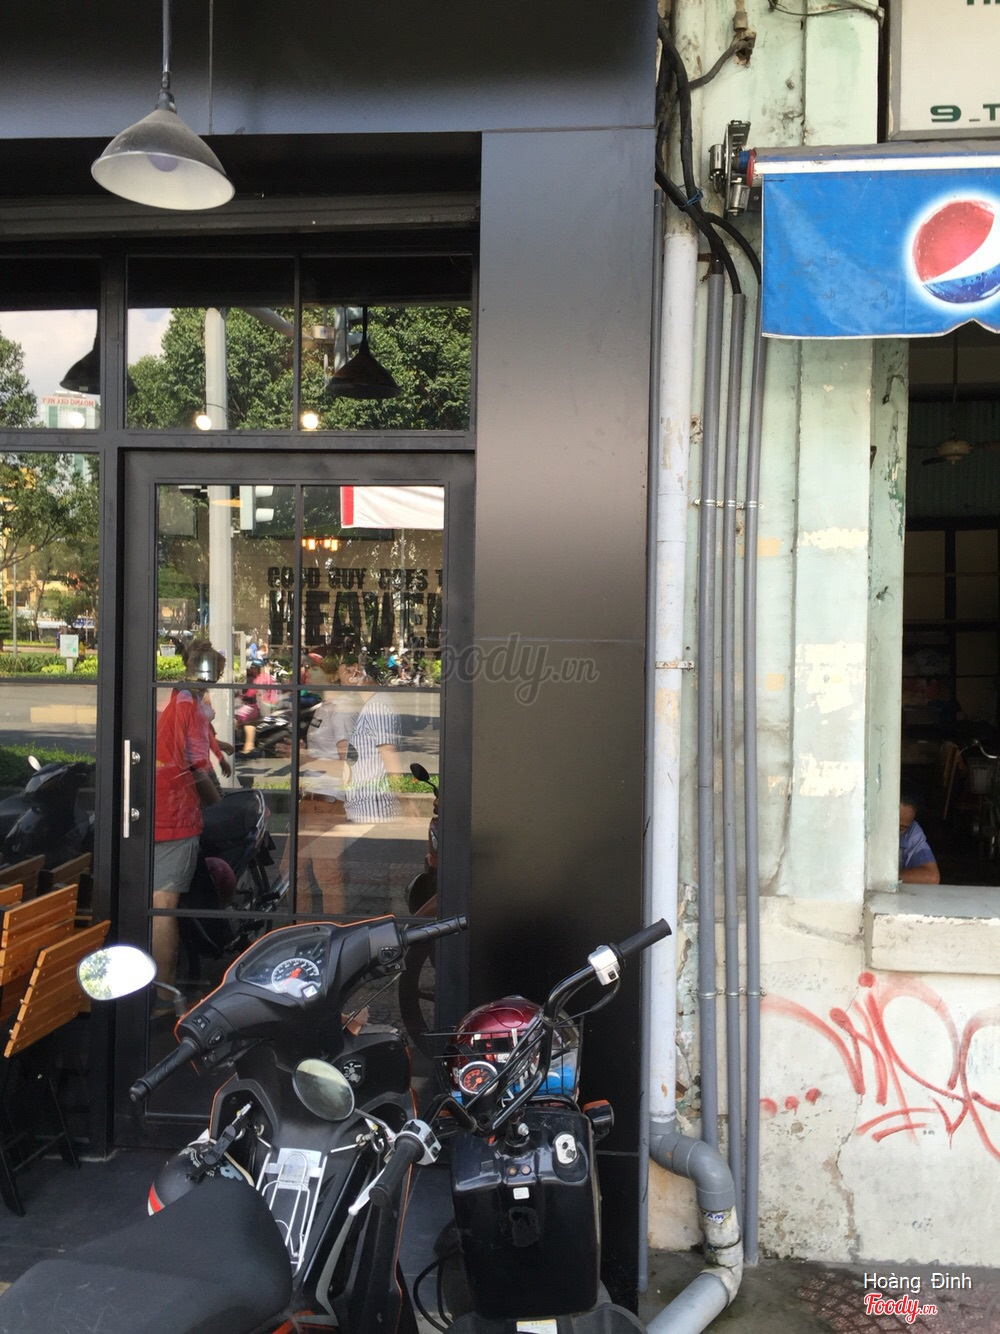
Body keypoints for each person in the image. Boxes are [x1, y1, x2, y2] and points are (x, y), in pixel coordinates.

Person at [152, 642, 223, 1007]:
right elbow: (195, 765)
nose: (219, 678)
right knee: (163, 906)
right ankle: (164, 997)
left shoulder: (179, 697)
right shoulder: (189, 705)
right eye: (217, 671)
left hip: (151, 803)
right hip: (174, 812)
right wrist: (216, 801)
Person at [899, 786, 940, 884]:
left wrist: (887, 877)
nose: (894, 832)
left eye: (901, 828)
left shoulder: (911, 831)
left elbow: (932, 877)